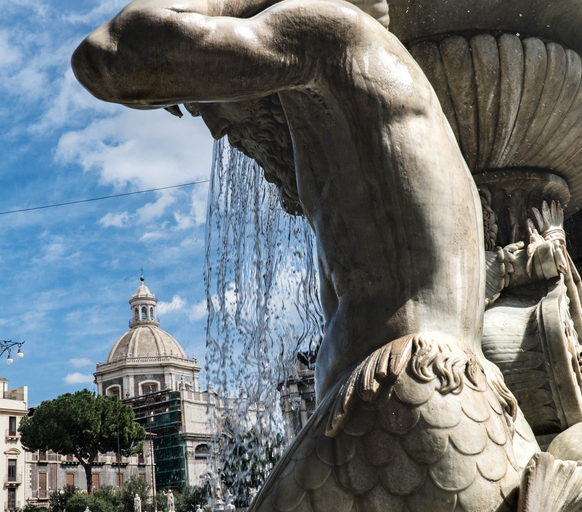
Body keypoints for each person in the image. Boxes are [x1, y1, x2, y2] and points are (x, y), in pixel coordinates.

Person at [72, 0, 531, 508]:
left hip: (401, 395)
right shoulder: (382, 111)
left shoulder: (335, 39)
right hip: (470, 406)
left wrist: (228, 7)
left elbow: (103, 55)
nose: (217, 129)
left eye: (204, 100)